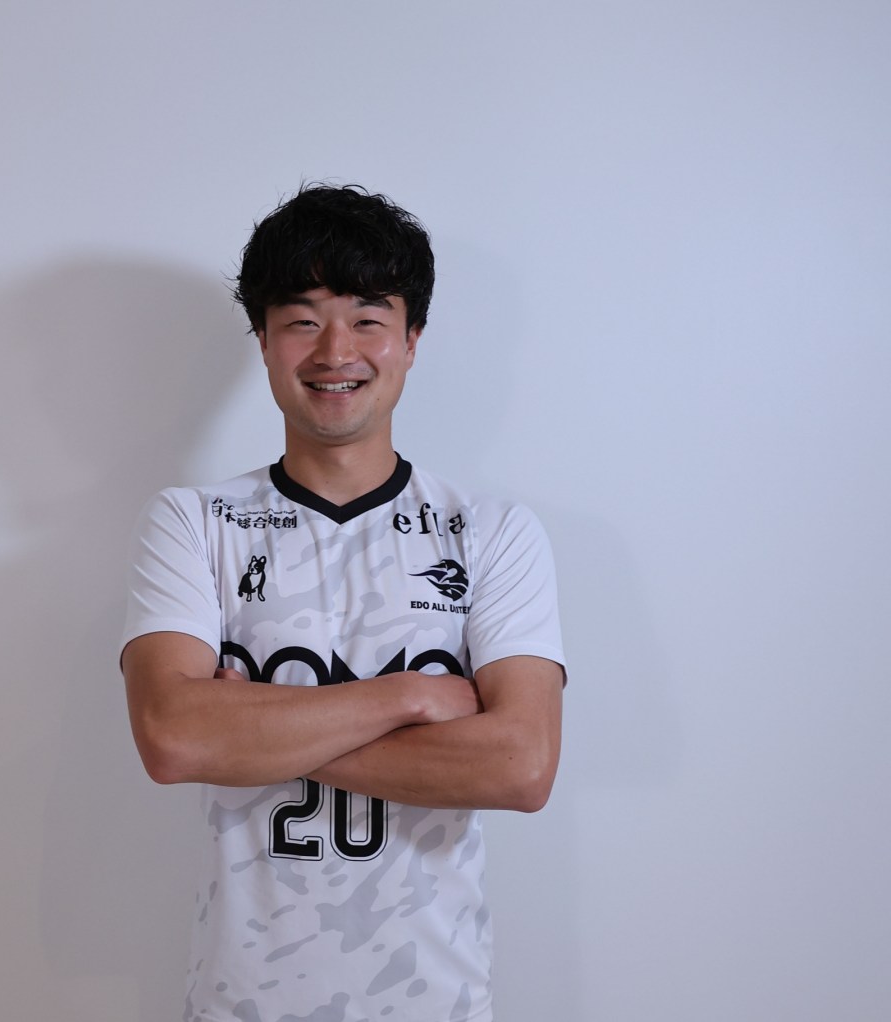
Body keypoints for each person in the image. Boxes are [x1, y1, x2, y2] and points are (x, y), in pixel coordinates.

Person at [120, 184, 566, 1022]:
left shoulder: (491, 531)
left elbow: (520, 765)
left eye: (367, 318)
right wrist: (409, 697)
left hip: (435, 1001)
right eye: (302, 319)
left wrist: (249, 730)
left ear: (411, 339)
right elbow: (174, 738)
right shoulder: (193, 523)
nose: (335, 350)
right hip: (240, 1003)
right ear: (263, 340)